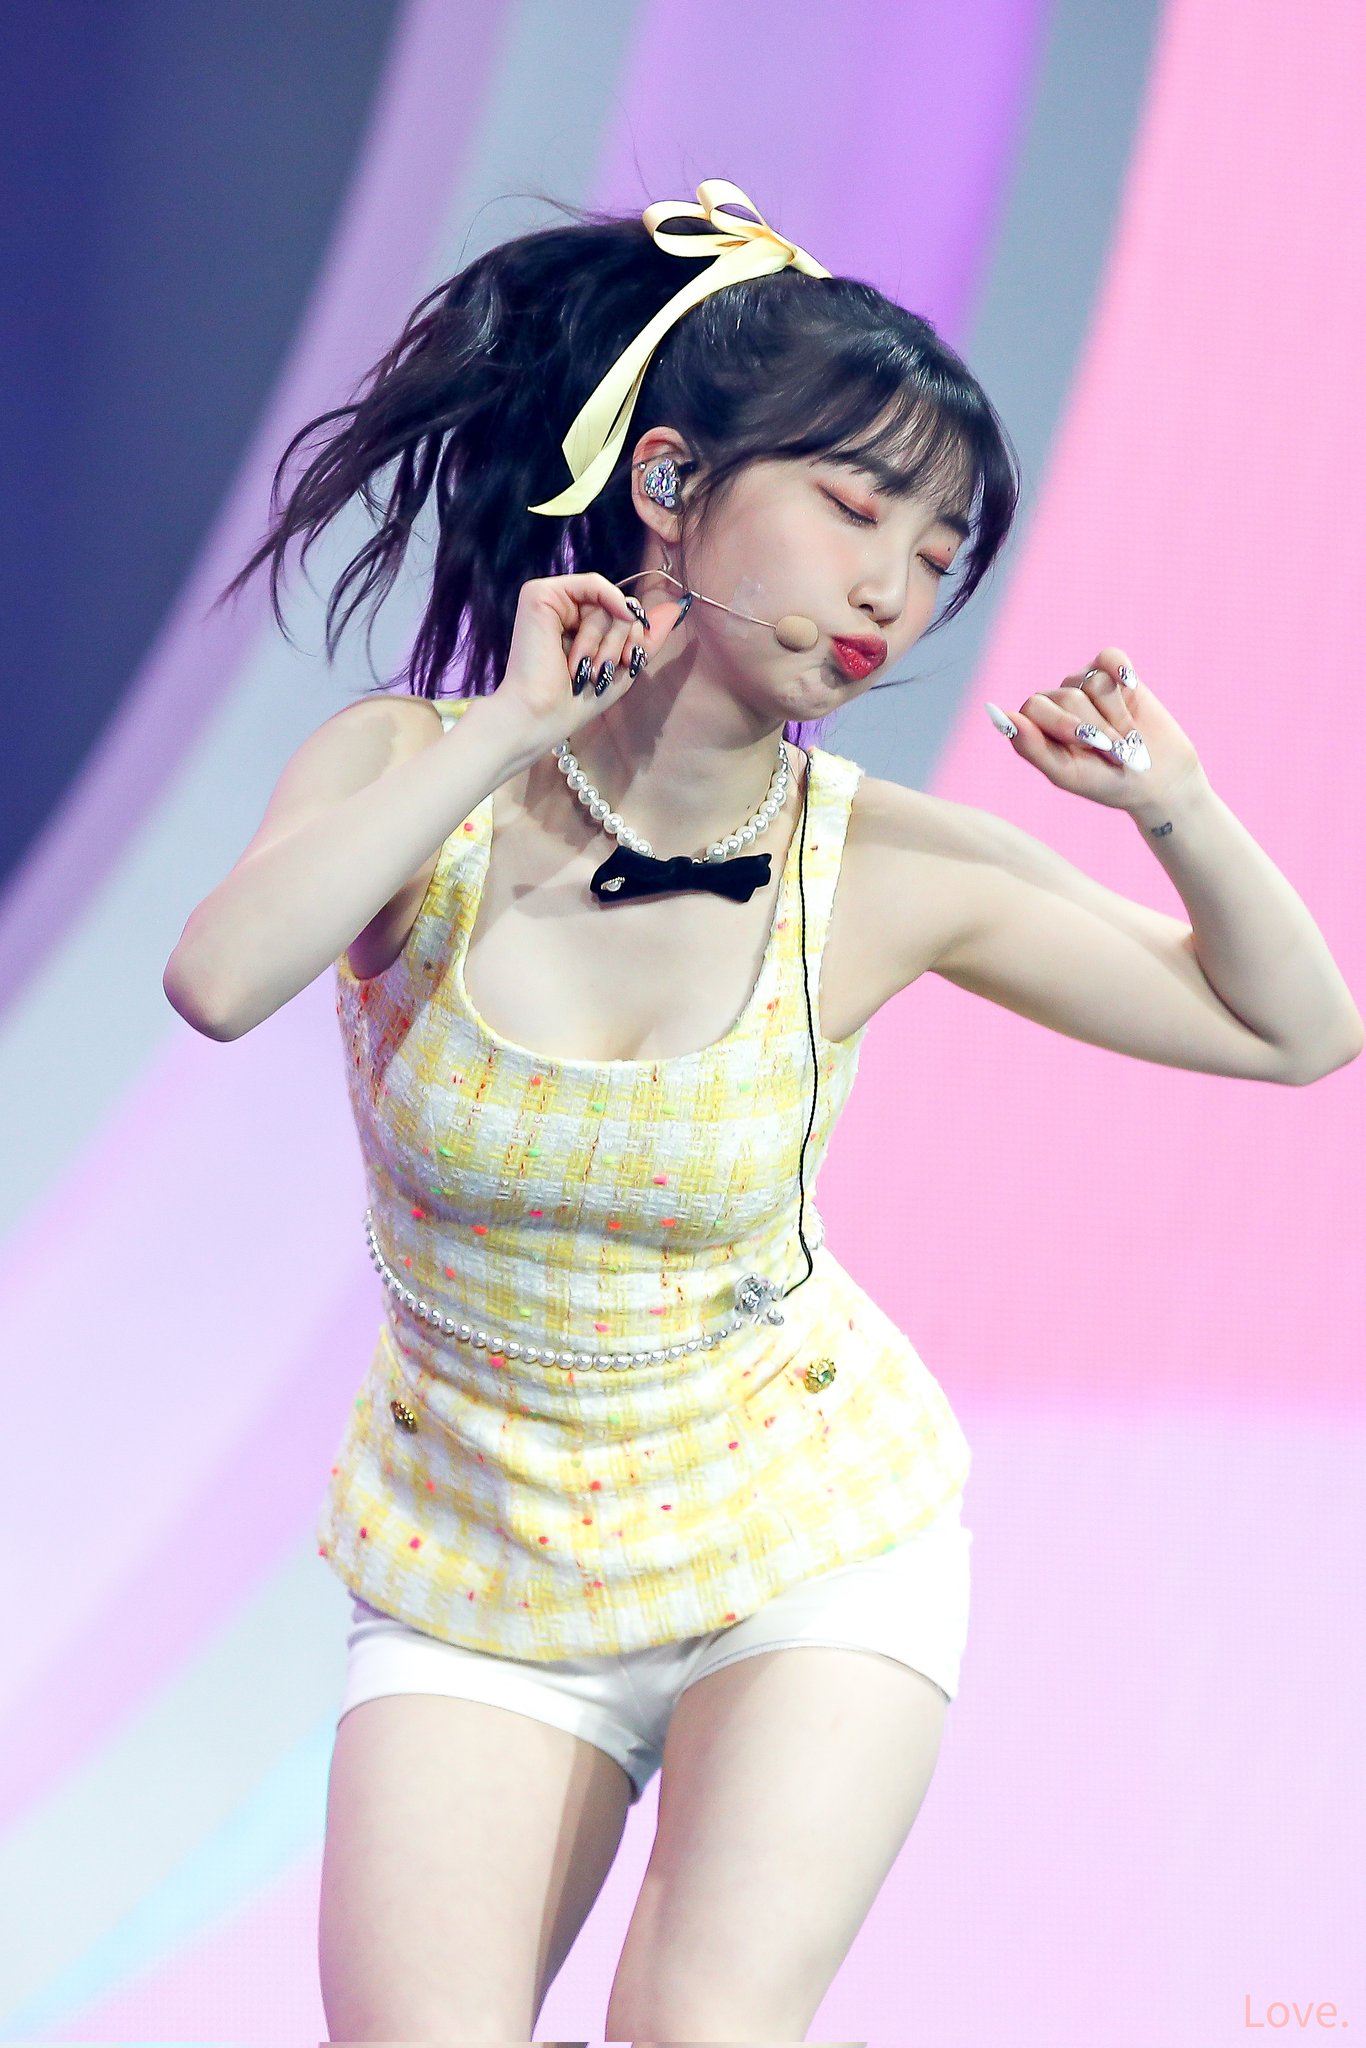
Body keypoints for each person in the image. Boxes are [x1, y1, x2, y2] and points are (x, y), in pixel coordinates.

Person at [166, 179, 1362, 2044]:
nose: (896, 586)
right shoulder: (413, 770)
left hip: (805, 1534)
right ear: (667, 483)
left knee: (697, 2029)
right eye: (854, 509)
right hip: (478, 1562)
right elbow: (222, 979)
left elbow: (1294, 1032)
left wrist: (1176, 809)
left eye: (940, 548)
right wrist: (507, 731)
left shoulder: (883, 863)